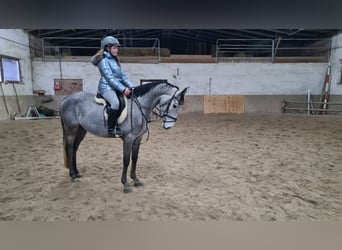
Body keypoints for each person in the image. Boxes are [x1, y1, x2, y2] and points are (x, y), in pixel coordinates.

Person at [91, 36, 133, 137]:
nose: (116, 50)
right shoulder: (103, 61)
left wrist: (132, 87)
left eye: (117, 48)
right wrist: (123, 89)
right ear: (107, 48)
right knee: (115, 103)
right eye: (114, 48)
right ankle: (111, 129)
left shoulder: (114, 60)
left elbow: (123, 76)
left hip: (116, 87)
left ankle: (120, 124)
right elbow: (110, 79)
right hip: (106, 88)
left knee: (126, 101)